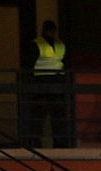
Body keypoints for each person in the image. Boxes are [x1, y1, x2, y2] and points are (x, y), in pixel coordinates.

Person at [26, 20, 71, 148]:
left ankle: (57, 141)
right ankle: (37, 141)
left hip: (53, 84)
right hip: (43, 84)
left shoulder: (60, 45)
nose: (53, 33)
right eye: (51, 30)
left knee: (56, 115)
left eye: (54, 30)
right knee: (41, 115)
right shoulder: (38, 44)